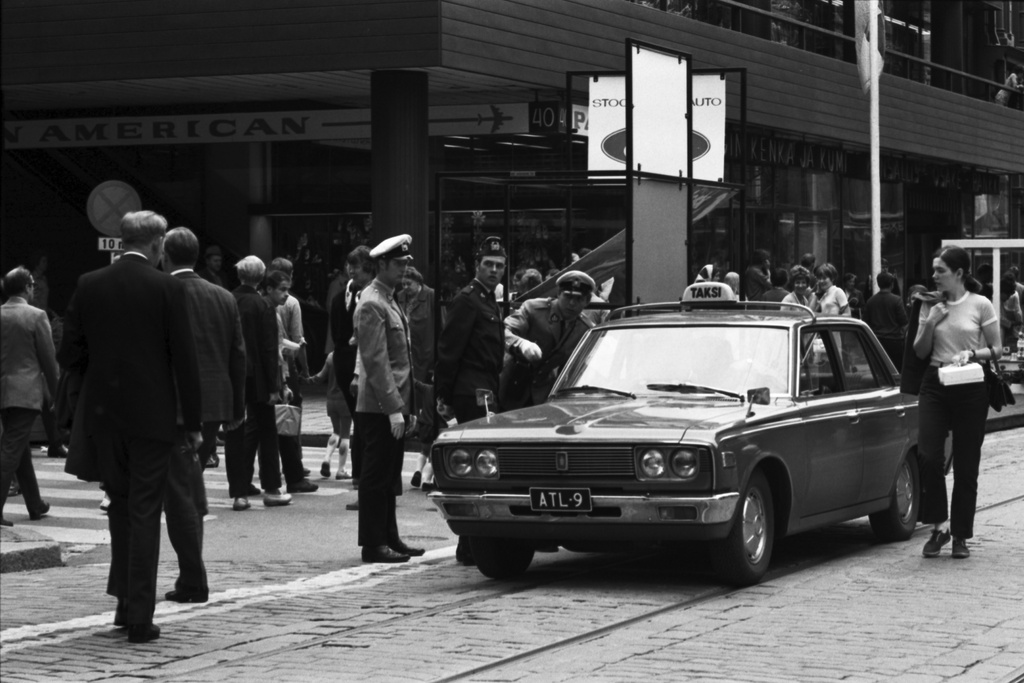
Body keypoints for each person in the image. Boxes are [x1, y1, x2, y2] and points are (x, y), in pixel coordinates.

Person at [57, 210, 203, 644]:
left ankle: (124, 602)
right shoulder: (167, 287)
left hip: (104, 416)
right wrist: (192, 423)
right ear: (158, 245)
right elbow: (184, 359)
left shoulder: (89, 284)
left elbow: (70, 354)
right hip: (153, 417)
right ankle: (139, 613)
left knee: (119, 507)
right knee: (144, 510)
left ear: (122, 241)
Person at [161, 227, 247, 604]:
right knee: (190, 483)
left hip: (175, 405)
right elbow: (237, 355)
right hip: (214, 402)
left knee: (179, 491)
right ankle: (191, 573)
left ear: (165, 254)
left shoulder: (162, 292)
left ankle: (193, 578)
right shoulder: (223, 296)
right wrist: (237, 407)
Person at [912, 245, 1002, 560]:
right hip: (935, 384)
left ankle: (961, 535)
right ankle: (940, 527)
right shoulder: (930, 305)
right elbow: (920, 352)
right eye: (934, 269)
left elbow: (997, 349)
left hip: (970, 385)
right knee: (928, 457)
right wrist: (931, 321)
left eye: (941, 271)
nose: (934, 276)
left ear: (959, 274)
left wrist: (972, 353)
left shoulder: (981, 304)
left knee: (966, 465)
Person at [435, 236, 508, 565]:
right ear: (477, 266)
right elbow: (449, 350)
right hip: (470, 393)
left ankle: (471, 544)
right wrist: (444, 396)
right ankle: (468, 546)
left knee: (482, 470)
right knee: (474, 471)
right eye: (488, 265)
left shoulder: (488, 299)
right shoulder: (467, 300)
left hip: (486, 392)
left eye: (499, 266)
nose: (494, 271)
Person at [353, 234, 423, 564]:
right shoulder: (372, 301)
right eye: (398, 264)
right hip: (379, 404)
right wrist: (394, 409)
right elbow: (376, 361)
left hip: (393, 401)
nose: (404, 270)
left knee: (389, 475)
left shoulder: (388, 297)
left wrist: (404, 407)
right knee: (375, 476)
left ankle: (389, 536)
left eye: (406, 264)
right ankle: (373, 543)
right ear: (381, 264)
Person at [225, 256, 292, 512]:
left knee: (234, 431)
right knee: (266, 430)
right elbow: (268, 350)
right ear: (262, 276)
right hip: (258, 378)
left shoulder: (227, 298)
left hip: (233, 375)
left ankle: (239, 494)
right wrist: (275, 385)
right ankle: (272, 488)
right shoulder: (262, 306)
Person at [1, 267, 59, 527]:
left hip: (3, 390)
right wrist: (56, 396)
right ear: (27, 287)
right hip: (25, 392)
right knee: (12, 449)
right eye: (33, 285)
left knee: (19, 449)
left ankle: (35, 504)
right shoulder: (36, 316)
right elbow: (49, 361)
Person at [502, 271, 596, 410]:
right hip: (511, 383)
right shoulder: (534, 309)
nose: (571, 303)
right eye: (567, 296)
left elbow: (573, 369)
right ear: (558, 294)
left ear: (587, 301)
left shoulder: (585, 328)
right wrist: (520, 344)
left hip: (543, 392)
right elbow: (503, 332)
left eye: (578, 299)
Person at [267, 257, 318, 495]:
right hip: (284, 367)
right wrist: (303, 369)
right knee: (289, 420)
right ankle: (293, 469)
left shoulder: (261, 303)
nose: (286, 294)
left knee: (265, 423)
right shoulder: (291, 304)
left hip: (271, 370)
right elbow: (297, 340)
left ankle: (272, 469)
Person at [330, 245, 376, 510]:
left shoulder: (357, 295)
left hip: (355, 361)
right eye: (350, 266)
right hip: (351, 361)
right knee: (363, 422)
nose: (351, 270)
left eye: (355, 266)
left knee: (364, 423)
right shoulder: (347, 296)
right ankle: (362, 478)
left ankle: (363, 478)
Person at [397, 266, 435, 489]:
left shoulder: (430, 296)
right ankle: (411, 424)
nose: (405, 288)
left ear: (417, 282)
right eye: (402, 284)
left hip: (424, 357)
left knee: (423, 397)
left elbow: (439, 327)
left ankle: (419, 427)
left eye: (408, 284)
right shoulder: (399, 298)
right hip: (404, 356)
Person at [306, 351, 351, 479]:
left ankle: (326, 458)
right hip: (345, 401)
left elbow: (320, 377)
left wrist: (309, 379)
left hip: (331, 400)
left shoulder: (331, 356)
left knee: (336, 432)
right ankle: (341, 470)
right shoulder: (351, 356)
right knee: (345, 435)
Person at [863, 271, 908, 370]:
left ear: (878, 284)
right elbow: (903, 321)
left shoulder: (870, 301)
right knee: (896, 370)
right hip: (895, 341)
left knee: (880, 370)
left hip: (877, 340)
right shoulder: (897, 300)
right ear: (892, 284)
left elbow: (865, 321)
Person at [999, 273, 1022, 345]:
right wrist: (1012, 323)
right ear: (1002, 292)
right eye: (1008, 295)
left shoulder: (1001, 302)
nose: (1008, 297)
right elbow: (999, 318)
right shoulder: (994, 301)